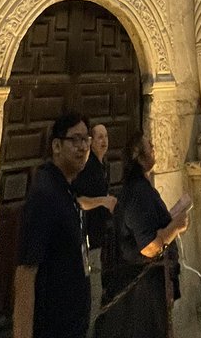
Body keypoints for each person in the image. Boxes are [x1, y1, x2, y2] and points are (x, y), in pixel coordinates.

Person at [95, 131, 191, 338]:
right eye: (150, 146)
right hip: (144, 289)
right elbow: (148, 246)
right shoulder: (138, 192)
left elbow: (150, 224)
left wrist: (174, 214)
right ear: (139, 156)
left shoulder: (140, 189)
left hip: (151, 285)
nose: (154, 149)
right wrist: (175, 227)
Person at [14, 112, 92, 338]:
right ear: (56, 146)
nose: (83, 147)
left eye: (86, 140)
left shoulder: (64, 189)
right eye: (75, 140)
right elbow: (26, 271)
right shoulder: (45, 194)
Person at [73, 122, 117, 326]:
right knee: (91, 294)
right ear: (90, 141)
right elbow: (79, 201)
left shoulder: (101, 166)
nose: (104, 141)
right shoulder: (88, 168)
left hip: (99, 237)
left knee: (96, 292)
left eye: (106, 136)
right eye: (99, 137)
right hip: (87, 238)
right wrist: (102, 200)